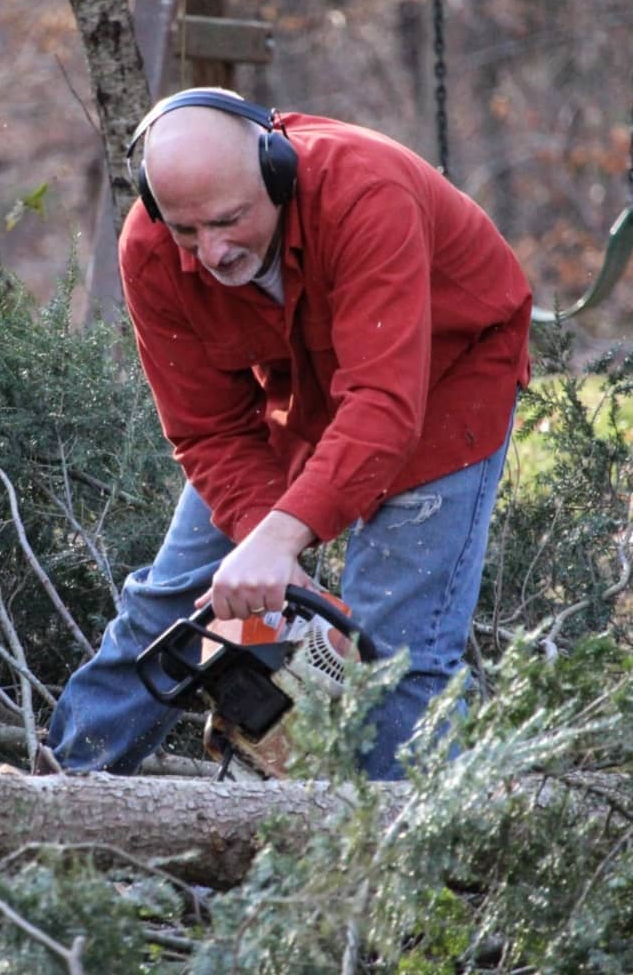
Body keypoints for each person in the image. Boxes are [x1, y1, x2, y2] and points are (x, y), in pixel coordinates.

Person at [47, 89, 532, 780]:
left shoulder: (366, 194)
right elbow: (206, 427)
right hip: (299, 388)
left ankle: (411, 861)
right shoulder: (151, 251)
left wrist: (281, 537)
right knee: (174, 599)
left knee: (392, 651)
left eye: (229, 220)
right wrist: (260, 538)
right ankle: (59, 789)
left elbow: (383, 405)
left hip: (444, 379)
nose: (211, 251)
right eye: (187, 231)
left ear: (275, 173)